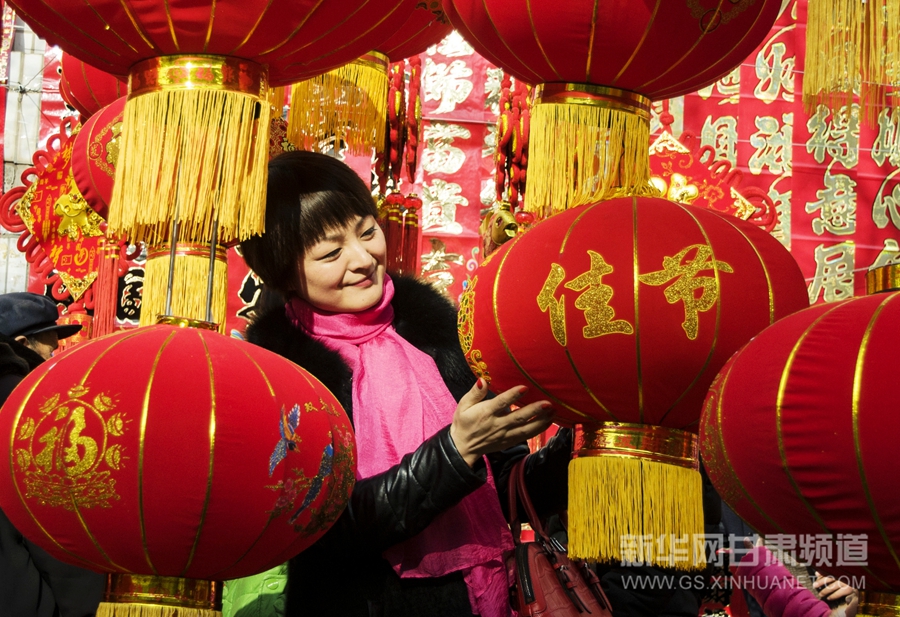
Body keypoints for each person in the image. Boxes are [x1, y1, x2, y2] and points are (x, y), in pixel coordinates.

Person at [240, 150, 572, 617]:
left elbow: (512, 493)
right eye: (331, 253)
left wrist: (578, 442)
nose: (363, 259)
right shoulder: (281, 376)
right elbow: (326, 529)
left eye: (367, 231)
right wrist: (455, 452)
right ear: (284, 275)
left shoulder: (441, 334)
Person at [0, 292, 106, 617]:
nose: (55, 357)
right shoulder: (29, 411)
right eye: (50, 347)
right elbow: (56, 527)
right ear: (22, 343)